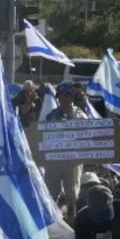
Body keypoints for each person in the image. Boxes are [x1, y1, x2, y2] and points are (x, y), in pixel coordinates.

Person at [42, 84, 87, 215]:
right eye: (61, 96)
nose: (64, 99)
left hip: (73, 160)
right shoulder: (51, 116)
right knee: (51, 192)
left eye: (67, 96)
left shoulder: (80, 115)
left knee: (72, 193)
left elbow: (87, 134)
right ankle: (51, 218)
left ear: (72, 98)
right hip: (54, 160)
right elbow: (41, 134)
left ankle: (72, 218)